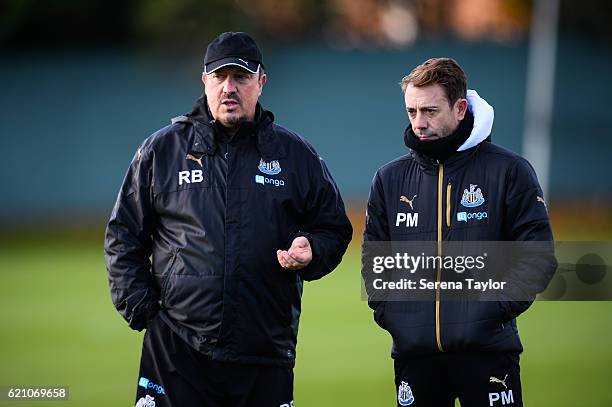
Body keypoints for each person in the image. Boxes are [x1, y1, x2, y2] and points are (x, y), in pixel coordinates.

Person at [104, 31, 352, 407]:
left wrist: (312, 250)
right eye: (219, 77)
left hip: (264, 351)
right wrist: (143, 309)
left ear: (261, 83)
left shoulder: (295, 155)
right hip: (176, 351)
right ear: (204, 81)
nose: (229, 88)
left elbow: (334, 227)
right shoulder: (163, 150)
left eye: (241, 77)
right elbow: (123, 235)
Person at [362, 58, 556, 406]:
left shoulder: (510, 171)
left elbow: (537, 257)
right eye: (411, 111)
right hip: (415, 357)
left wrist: (491, 309)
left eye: (430, 111)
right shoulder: (388, 180)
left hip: (488, 355)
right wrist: (394, 316)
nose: (419, 123)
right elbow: (374, 264)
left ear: (460, 107)